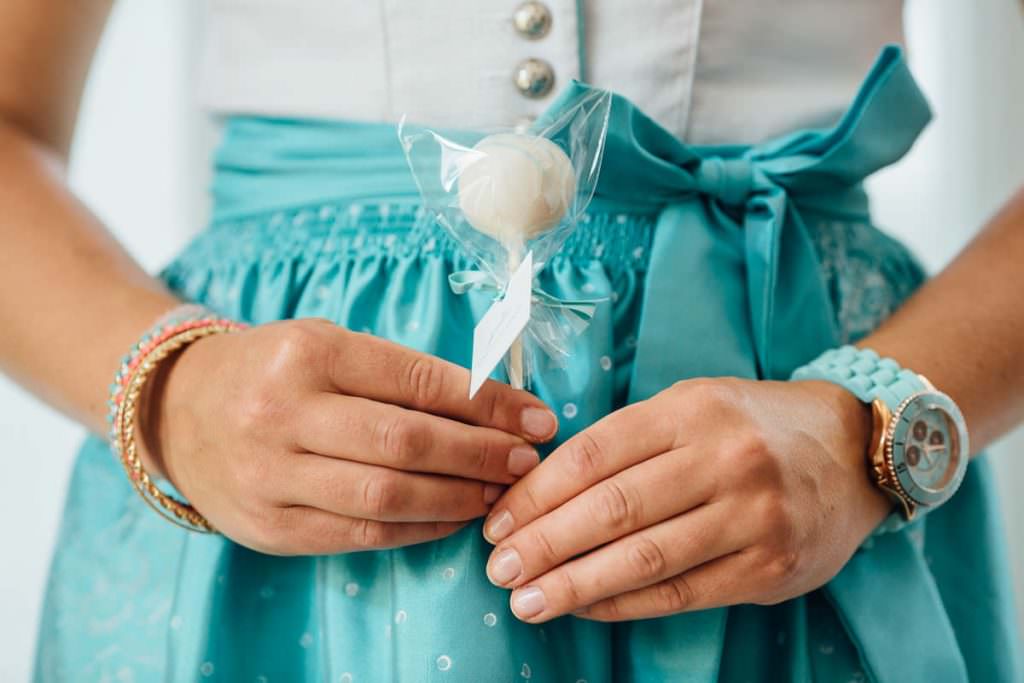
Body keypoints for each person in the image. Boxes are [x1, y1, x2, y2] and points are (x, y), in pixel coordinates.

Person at [2, 1, 1021, 681]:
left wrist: (869, 423)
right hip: (264, 479)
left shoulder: (848, 436)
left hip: (808, 464)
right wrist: (172, 393)